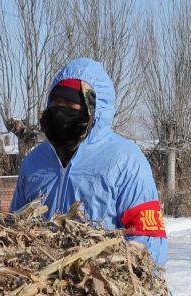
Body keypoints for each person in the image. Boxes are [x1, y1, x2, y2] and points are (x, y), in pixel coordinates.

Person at [10, 58, 168, 266]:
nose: (60, 109)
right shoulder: (34, 161)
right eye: (55, 102)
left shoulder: (126, 159)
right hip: (40, 289)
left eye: (70, 103)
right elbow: (14, 227)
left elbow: (147, 241)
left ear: (93, 108)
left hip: (97, 288)